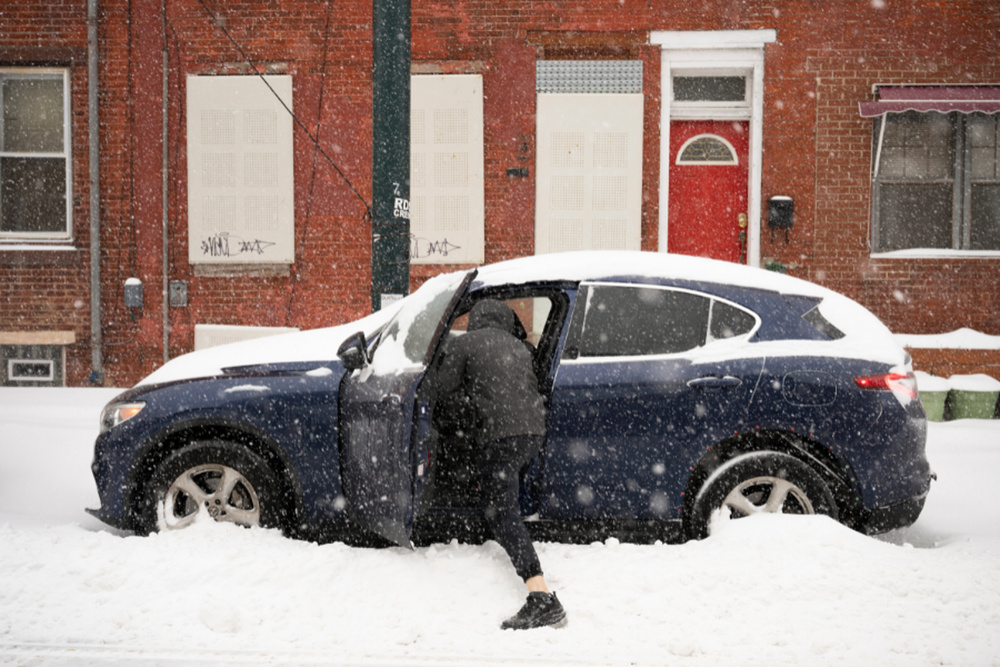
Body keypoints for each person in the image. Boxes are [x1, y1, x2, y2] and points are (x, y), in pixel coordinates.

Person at [433, 299, 567, 630]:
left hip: (502, 435)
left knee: (501, 511)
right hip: (532, 433)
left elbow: (440, 388)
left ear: (476, 320)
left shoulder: (466, 343)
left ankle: (541, 597)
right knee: (500, 493)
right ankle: (506, 532)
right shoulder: (520, 348)